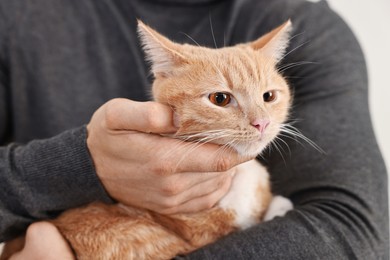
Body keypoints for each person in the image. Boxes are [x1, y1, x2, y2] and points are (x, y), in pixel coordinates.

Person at [0, 0, 388, 259]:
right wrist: (83, 165)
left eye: (270, 96)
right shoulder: (17, 16)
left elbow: (356, 231)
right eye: (222, 99)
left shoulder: (307, 22)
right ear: (162, 74)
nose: (259, 121)